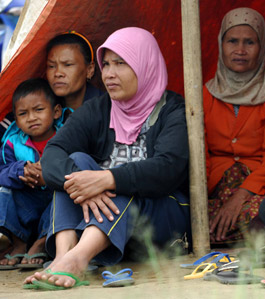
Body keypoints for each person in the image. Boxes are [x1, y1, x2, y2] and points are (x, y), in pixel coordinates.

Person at [24, 27, 190, 289]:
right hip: (107, 222)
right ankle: (63, 254)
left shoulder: (173, 110)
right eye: (107, 64)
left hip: (162, 221)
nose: (109, 74)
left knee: (120, 179)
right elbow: (54, 153)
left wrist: (107, 178)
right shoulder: (100, 108)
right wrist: (88, 185)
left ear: (145, 65)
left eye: (121, 64)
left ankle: (78, 258)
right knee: (75, 163)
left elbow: (169, 168)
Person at [204, 7, 265, 244]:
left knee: (262, 216)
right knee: (196, 222)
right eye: (232, 41)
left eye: (249, 42)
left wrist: (241, 196)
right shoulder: (205, 93)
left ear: (261, 46)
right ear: (221, 44)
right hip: (214, 188)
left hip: (257, 187)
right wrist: (202, 196)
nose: (240, 50)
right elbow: (200, 155)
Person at [0, 78, 63, 269]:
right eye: (23, 113)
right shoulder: (11, 143)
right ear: (16, 120)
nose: (31, 117)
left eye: (39, 110)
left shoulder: (65, 135)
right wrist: (20, 170)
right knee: (4, 190)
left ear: (56, 112)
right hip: (28, 201)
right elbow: (2, 172)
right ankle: (17, 241)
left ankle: (41, 242)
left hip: (54, 199)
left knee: (68, 196)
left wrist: (50, 172)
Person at [46, 31, 103, 111]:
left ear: (90, 69)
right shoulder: (44, 111)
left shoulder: (107, 109)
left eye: (68, 65)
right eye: (51, 66)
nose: (58, 73)